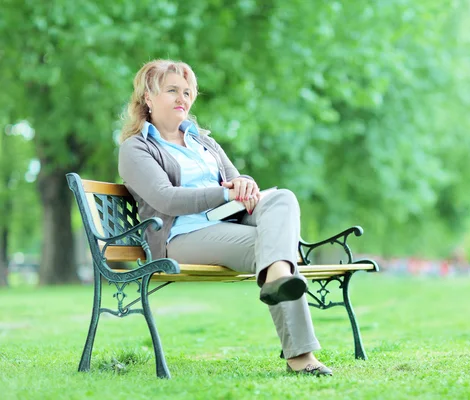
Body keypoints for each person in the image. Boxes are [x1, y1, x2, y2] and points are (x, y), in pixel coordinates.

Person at [118, 59, 332, 376]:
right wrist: (226, 193)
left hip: (227, 222)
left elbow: (236, 182)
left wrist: (243, 183)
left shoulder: (202, 141)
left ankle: (277, 276)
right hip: (180, 238)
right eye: (172, 90)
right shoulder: (136, 148)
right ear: (148, 98)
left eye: (188, 91)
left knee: (282, 199)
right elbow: (166, 197)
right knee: (275, 249)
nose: (183, 98)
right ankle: (301, 357)